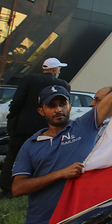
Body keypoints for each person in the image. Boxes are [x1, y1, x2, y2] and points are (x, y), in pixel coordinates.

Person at [11, 46, 112, 224]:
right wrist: (60, 174)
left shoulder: (85, 126)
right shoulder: (31, 144)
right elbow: (17, 188)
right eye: (51, 106)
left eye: (62, 104)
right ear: (42, 111)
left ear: (69, 106)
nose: (58, 110)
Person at [0, 58, 70, 198]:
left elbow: (17, 101)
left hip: (23, 127)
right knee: (46, 159)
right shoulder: (63, 84)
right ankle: (42, 187)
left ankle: (8, 188)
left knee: (13, 156)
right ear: (55, 70)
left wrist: (13, 119)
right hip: (48, 128)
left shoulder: (29, 79)